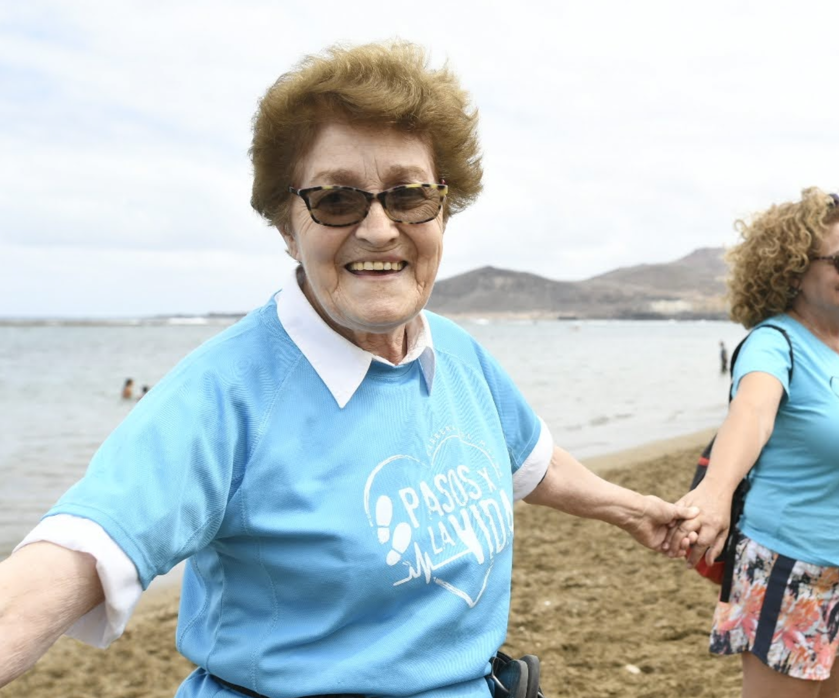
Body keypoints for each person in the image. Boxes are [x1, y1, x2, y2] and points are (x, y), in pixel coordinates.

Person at [0, 41, 695, 698]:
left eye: (408, 194)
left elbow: (528, 458)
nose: (378, 227)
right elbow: (76, 553)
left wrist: (634, 510)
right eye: (336, 199)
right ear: (285, 224)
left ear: (443, 210)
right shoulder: (225, 392)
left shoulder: (456, 353)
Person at [668, 188, 839, 698]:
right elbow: (753, 413)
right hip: (794, 571)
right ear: (792, 270)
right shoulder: (774, 342)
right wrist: (717, 492)